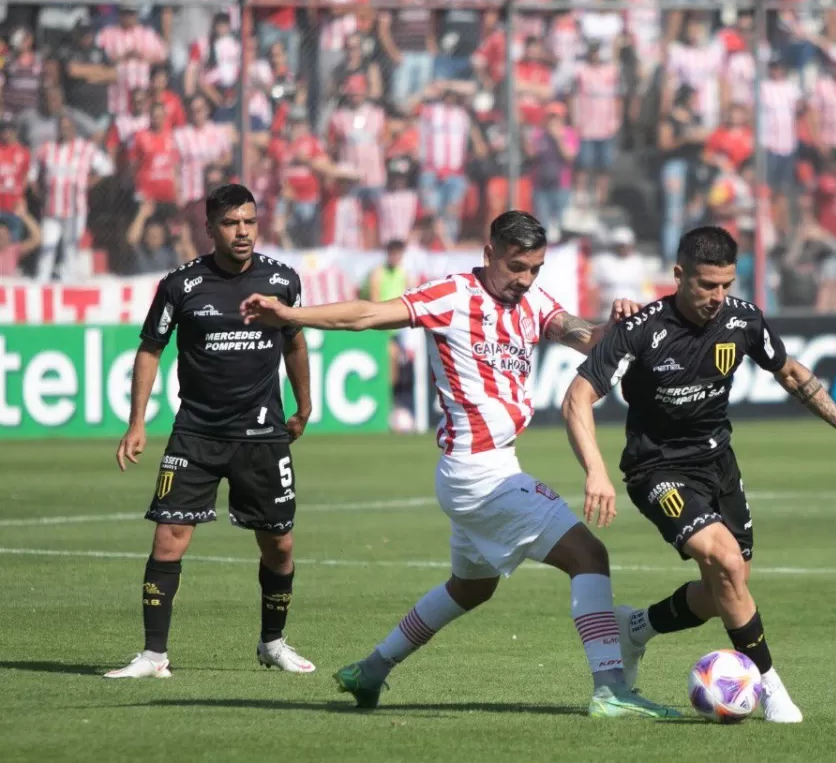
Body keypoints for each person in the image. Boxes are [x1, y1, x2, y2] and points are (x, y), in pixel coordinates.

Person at [239, 210, 679, 719]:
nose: (525, 279)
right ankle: (610, 689)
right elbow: (366, 315)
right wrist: (290, 315)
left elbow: (588, 336)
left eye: (535, 268)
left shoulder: (533, 301)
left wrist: (621, 324)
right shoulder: (451, 296)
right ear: (489, 254)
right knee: (590, 556)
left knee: (471, 588)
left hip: (483, 468)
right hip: (481, 474)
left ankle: (371, 670)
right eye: (516, 266)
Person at [561, 225, 836, 723]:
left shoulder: (742, 319)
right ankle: (772, 690)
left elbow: (790, 372)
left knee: (725, 591)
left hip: (719, 465)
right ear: (679, 275)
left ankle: (635, 629)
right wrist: (596, 472)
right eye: (706, 285)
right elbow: (577, 397)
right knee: (729, 565)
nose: (718, 296)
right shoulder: (642, 329)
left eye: (726, 285)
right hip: (657, 470)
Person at [105, 184, 315, 680]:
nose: (242, 232)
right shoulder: (181, 285)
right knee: (168, 540)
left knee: (280, 546)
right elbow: (151, 349)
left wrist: (304, 406)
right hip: (196, 434)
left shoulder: (282, 280)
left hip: (262, 436)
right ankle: (154, 655)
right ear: (210, 228)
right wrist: (137, 422)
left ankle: (272, 643)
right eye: (230, 223)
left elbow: (295, 344)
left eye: (249, 221)